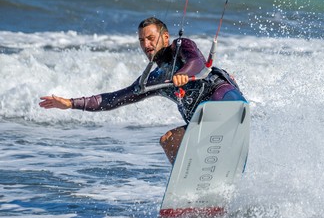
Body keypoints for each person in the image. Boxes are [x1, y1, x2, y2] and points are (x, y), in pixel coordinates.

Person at [39, 17, 246, 164]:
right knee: (169, 141)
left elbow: (197, 62)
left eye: (150, 38)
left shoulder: (181, 46)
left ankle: (229, 141)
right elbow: (113, 99)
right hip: (200, 119)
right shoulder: (154, 79)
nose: (146, 44)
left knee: (219, 104)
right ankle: (190, 186)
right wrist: (71, 103)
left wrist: (183, 73)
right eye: (141, 40)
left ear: (165, 38)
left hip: (222, 94)